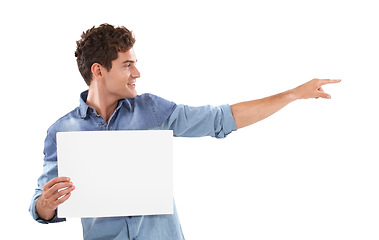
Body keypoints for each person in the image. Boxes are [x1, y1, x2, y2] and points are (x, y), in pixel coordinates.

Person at [29, 23, 340, 240]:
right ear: (98, 70)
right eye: (127, 65)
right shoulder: (62, 131)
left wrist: (293, 94)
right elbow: (41, 207)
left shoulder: (151, 110)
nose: (137, 72)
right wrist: (45, 205)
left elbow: (221, 119)